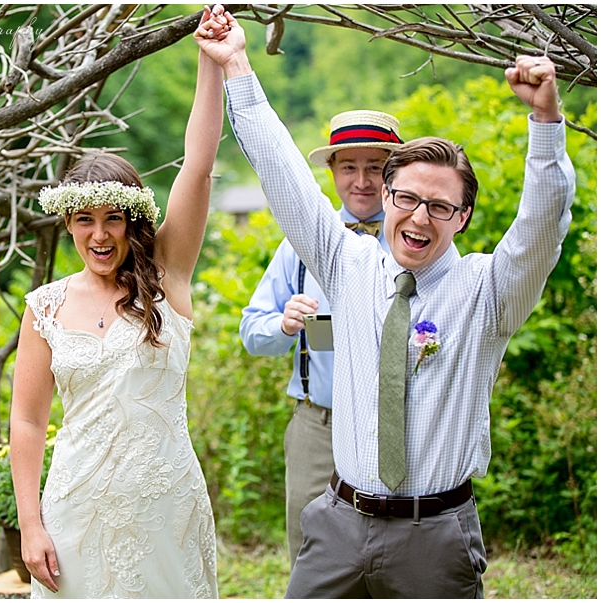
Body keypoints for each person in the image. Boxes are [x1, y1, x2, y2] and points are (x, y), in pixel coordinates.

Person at [198, 6, 574, 598]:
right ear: (388, 197)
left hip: (435, 536)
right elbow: (284, 174)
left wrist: (546, 120)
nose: (419, 217)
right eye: (406, 198)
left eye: (440, 206)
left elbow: (542, 225)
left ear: (464, 217)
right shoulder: (346, 264)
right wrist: (237, 65)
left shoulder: (490, 290)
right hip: (339, 525)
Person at [9, 7, 230, 598]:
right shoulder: (46, 308)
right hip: (75, 513)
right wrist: (30, 525)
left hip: (167, 513)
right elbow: (28, 421)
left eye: (113, 218)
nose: (100, 235)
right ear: (69, 225)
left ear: (135, 222)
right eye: (85, 220)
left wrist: (210, 62)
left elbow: (200, 168)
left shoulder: (167, 277)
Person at [240, 110, 402, 569]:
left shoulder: (414, 238)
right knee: (312, 550)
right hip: (318, 423)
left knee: (389, 551)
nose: (363, 181)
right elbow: (253, 332)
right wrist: (284, 326)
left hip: (391, 421)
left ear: (393, 172)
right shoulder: (301, 241)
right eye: (349, 167)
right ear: (331, 172)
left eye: (375, 166)